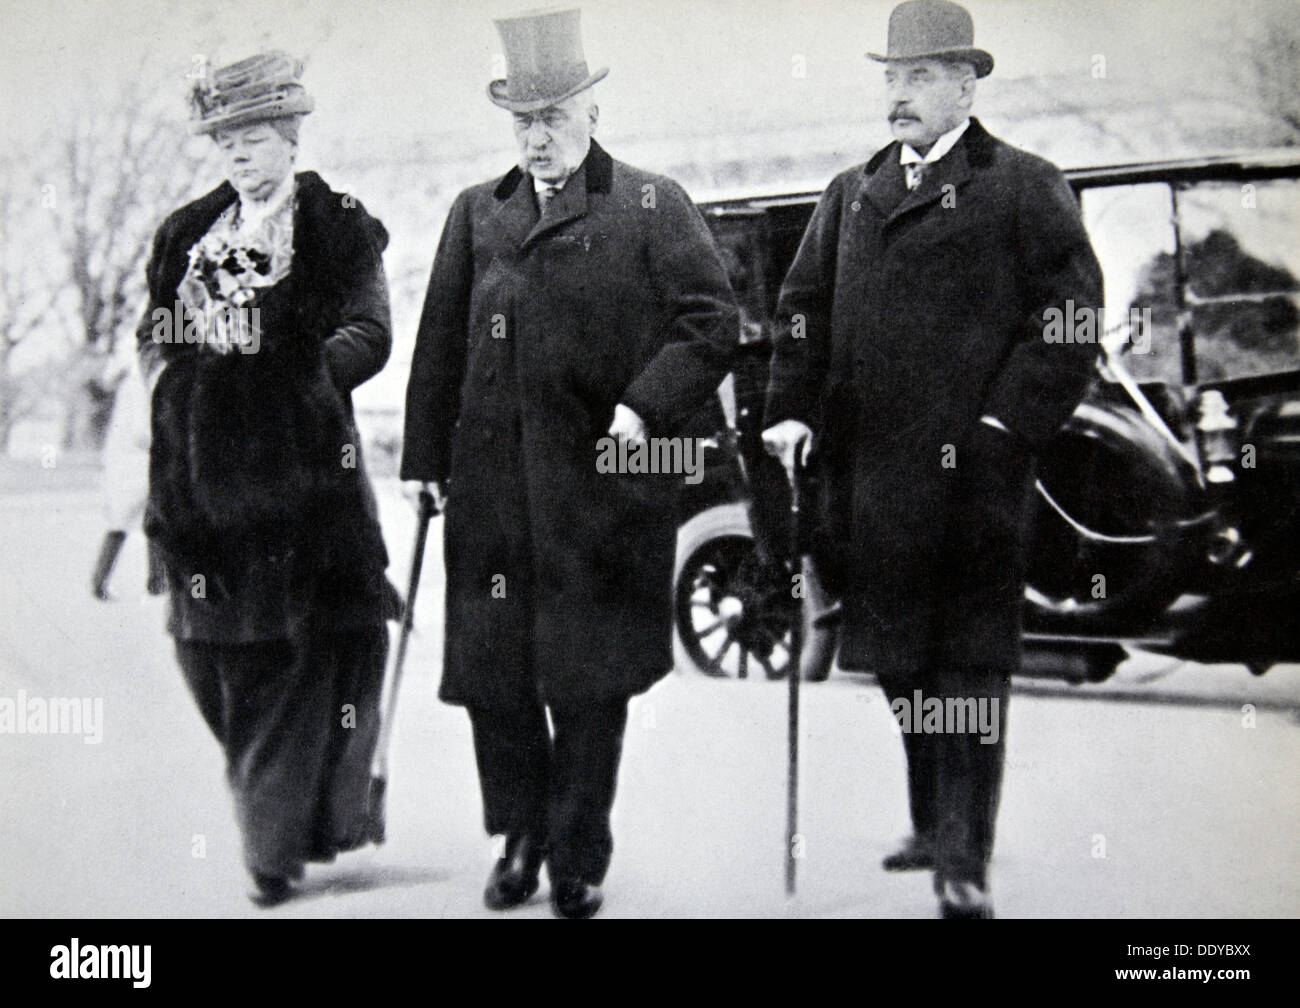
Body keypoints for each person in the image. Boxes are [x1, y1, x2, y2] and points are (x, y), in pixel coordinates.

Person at [762, 0, 1103, 918]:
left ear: (966, 83)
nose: (898, 97)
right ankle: (928, 824)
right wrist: (789, 411)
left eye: (917, 78)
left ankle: (964, 854)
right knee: (905, 664)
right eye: (891, 77)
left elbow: (1067, 324)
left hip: (975, 483)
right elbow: (800, 312)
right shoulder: (850, 193)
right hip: (871, 486)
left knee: (969, 665)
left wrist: (1003, 431)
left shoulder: (1024, 185)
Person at [400, 8, 738, 918]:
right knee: (495, 680)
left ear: (593, 110)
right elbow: (438, 346)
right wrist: (425, 459)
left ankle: (578, 851)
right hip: (492, 494)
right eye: (522, 122)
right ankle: (521, 834)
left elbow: (711, 325)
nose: (537, 137)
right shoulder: (477, 212)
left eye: (553, 117)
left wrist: (641, 404)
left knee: (590, 682)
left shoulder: (651, 205)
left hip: (601, 492)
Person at [136, 51, 397, 906]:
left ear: (289, 139)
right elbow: (158, 335)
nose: (237, 158)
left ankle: (271, 846)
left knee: (295, 658)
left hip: (304, 485)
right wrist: (181, 380)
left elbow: (369, 331)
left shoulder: (337, 228)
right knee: (207, 653)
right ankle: (277, 813)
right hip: (197, 489)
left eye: (251, 140)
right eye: (226, 144)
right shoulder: (185, 234)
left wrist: (293, 385)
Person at [92, 348, 166, 600]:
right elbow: (140, 431)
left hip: (128, 464)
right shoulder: (136, 387)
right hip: (134, 464)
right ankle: (155, 581)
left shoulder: (133, 385)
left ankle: (104, 582)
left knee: (128, 522)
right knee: (146, 521)